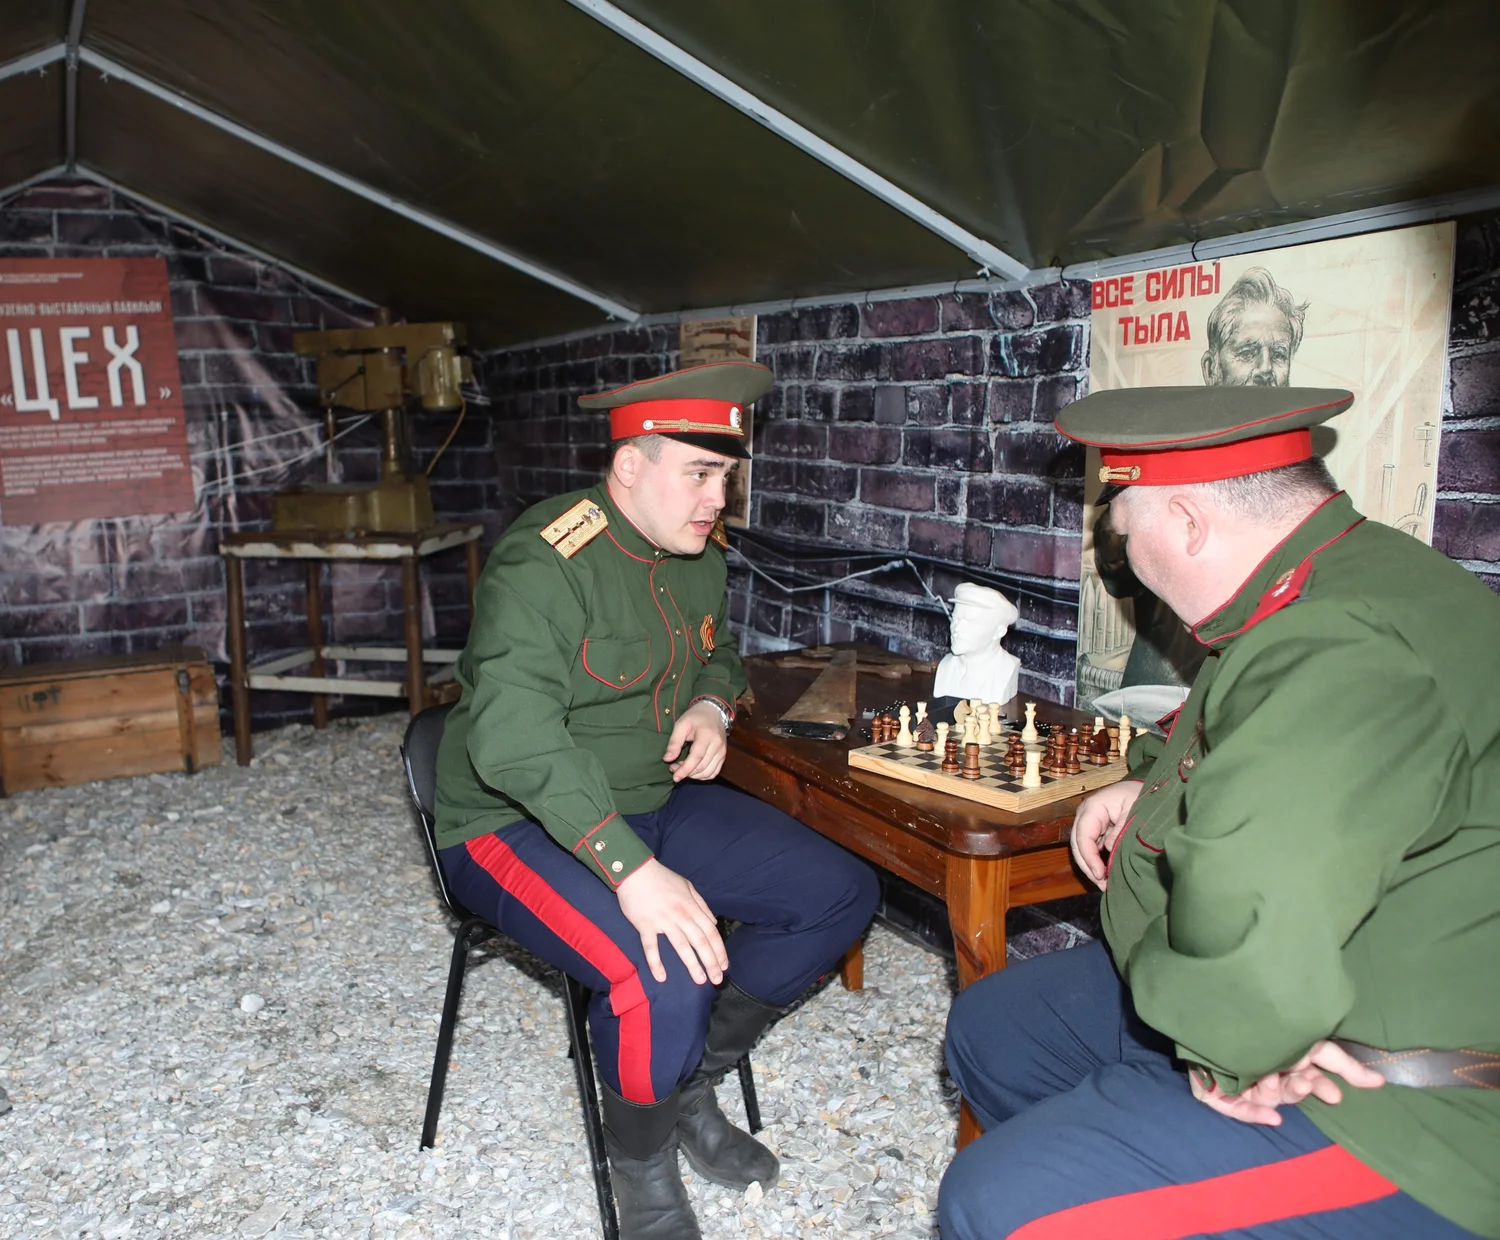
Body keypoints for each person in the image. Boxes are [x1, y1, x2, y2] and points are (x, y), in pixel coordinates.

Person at [941, 385, 1499, 1239]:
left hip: (1406, 1103)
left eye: (1125, 535)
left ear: (1188, 523)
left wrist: (1233, 1052)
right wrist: (1148, 778)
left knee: (995, 1200)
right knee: (998, 1029)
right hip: (1308, 979)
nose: (1124, 557)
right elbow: (1249, 730)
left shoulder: (1340, 635)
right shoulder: (1324, 580)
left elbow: (1258, 891)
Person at [434, 360, 878, 1240]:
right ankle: (640, 1165)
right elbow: (513, 739)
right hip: (509, 818)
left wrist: (712, 704)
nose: (719, 499)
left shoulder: (695, 553)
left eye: (727, 477)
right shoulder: (543, 559)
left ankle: (684, 1085)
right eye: (701, 473)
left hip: (649, 792)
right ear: (629, 466)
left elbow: (718, 652)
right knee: (660, 968)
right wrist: (633, 871)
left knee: (839, 893)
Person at [932, 582, 1021, 704]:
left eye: (970, 622)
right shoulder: (945, 667)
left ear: (999, 631)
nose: (956, 628)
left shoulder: (1006, 670)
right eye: (955, 619)